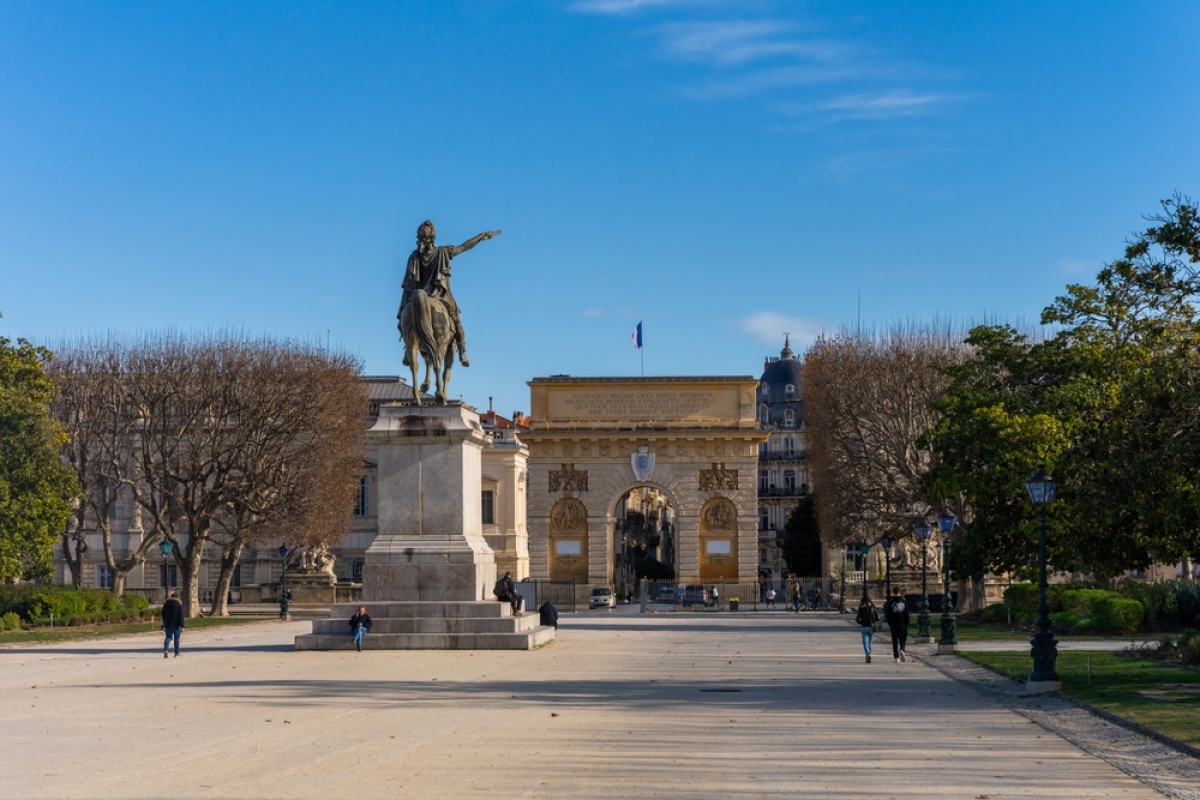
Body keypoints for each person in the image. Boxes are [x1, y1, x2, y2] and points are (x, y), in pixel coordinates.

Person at [398, 220, 500, 368]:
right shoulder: (443, 252)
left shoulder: (414, 256)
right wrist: (480, 237)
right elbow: (464, 247)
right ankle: (462, 352)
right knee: (456, 319)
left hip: (416, 296)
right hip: (439, 295)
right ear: (434, 237)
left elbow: (409, 284)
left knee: (404, 316)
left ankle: (407, 350)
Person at [886, 587, 910, 663]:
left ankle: (896, 657)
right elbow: (907, 613)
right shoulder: (903, 601)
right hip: (902, 623)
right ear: (900, 592)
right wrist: (907, 623)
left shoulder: (891, 602)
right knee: (903, 639)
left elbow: (888, 614)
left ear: (893, 592)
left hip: (894, 624)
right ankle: (902, 650)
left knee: (894, 641)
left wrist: (890, 623)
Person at [855, 593, 879, 663]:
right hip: (871, 626)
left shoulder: (861, 608)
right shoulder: (872, 607)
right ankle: (868, 652)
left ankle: (867, 653)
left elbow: (858, 619)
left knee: (865, 642)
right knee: (870, 642)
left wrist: (860, 622)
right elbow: (877, 617)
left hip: (864, 626)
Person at [161, 591, 184, 659]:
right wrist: (182, 625)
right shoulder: (178, 605)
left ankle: (166, 649)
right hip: (176, 624)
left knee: (168, 637)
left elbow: (163, 614)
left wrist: (165, 621)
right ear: (177, 597)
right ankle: (176, 653)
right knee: (176, 639)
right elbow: (181, 616)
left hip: (168, 623)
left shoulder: (166, 604)